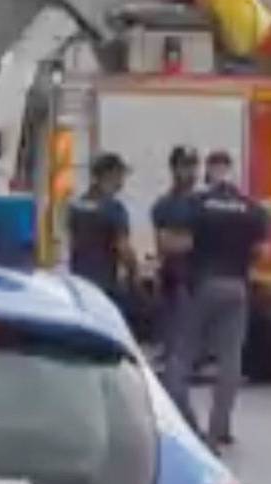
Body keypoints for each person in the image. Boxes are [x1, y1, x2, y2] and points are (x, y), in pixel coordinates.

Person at [164, 149, 269, 449]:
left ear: (209, 172)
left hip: (201, 287)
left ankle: (185, 422)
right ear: (231, 172)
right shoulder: (251, 209)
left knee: (181, 356)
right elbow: (262, 252)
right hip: (236, 287)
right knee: (230, 361)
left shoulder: (195, 205)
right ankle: (217, 429)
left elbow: (177, 244)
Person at [67, 154, 141, 328]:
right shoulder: (114, 209)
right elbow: (123, 247)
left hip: (79, 281)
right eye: (120, 175)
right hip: (104, 283)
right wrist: (134, 273)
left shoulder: (77, 205)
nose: (122, 181)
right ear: (110, 175)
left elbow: (71, 242)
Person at [150, 146, 201, 351]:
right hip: (176, 276)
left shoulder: (203, 202)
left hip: (200, 277)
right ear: (174, 169)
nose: (190, 172)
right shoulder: (164, 205)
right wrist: (196, 241)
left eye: (193, 166)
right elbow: (164, 244)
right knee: (176, 327)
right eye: (185, 166)